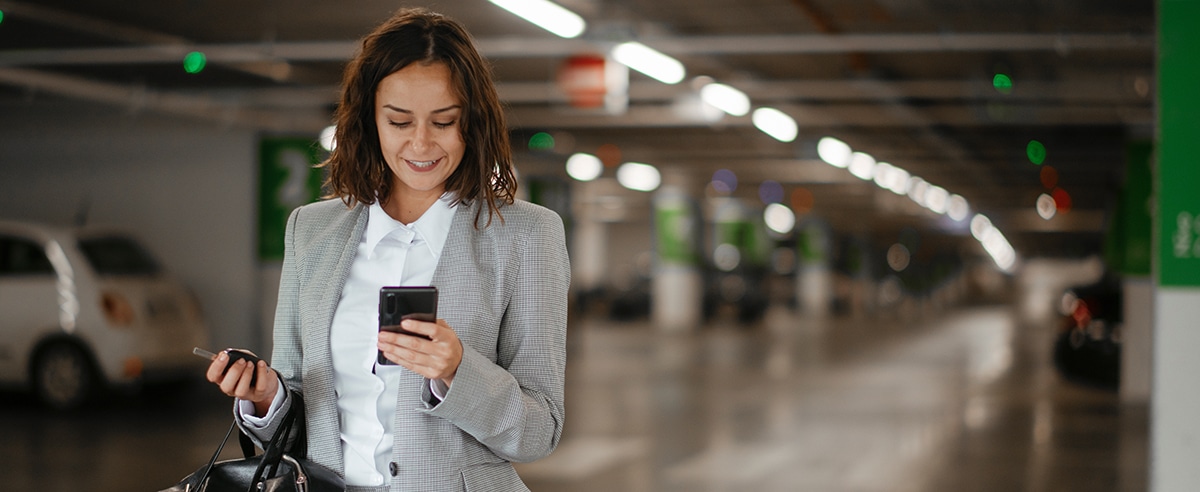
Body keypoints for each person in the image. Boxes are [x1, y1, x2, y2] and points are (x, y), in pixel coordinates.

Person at [205, 8, 570, 492]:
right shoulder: (311, 231)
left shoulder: (526, 235)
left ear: (473, 123)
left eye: (444, 122)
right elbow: (296, 421)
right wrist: (266, 396)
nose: (421, 142)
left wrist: (458, 372)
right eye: (399, 121)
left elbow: (540, 430)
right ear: (368, 121)